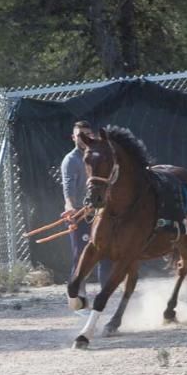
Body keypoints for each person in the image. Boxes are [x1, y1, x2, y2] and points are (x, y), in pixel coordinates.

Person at [61, 120, 111, 295]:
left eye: (87, 135)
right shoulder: (71, 160)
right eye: (80, 135)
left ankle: (105, 295)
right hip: (81, 215)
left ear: (93, 136)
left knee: (105, 254)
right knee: (81, 257)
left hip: (99, 213)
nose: (83, 138)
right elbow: (68, 187)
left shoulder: (98, 155)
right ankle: (77, 297)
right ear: (73, 137)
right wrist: (71, 207)